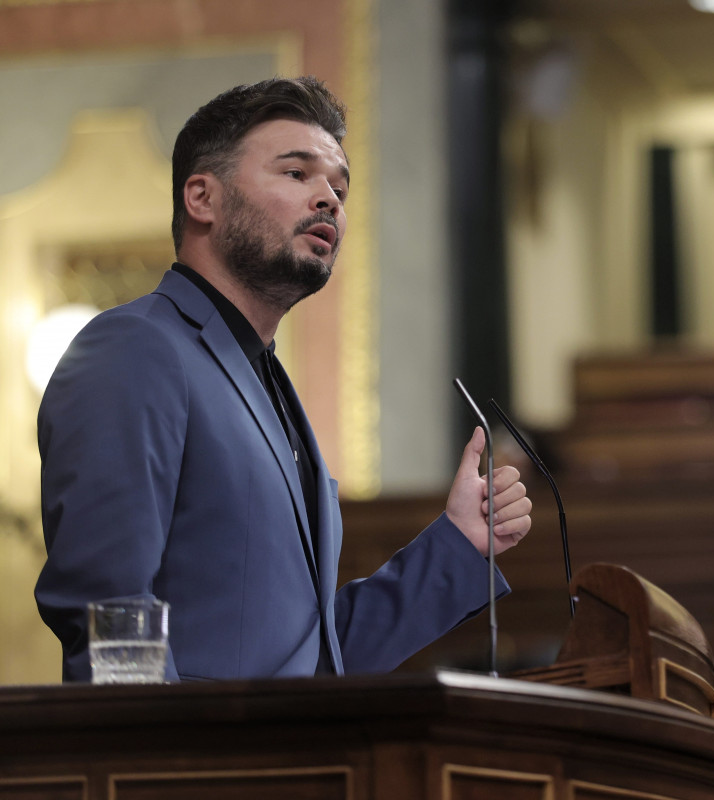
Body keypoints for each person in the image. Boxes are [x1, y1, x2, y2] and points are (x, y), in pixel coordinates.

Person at [34, 76, 533, 683]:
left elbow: (317, 661)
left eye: (339, 189)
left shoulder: (265, 382)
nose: (328, 199)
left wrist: (458, 542)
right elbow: (109, 619)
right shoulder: (136, 349)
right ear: (202, 198)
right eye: (297, 174)